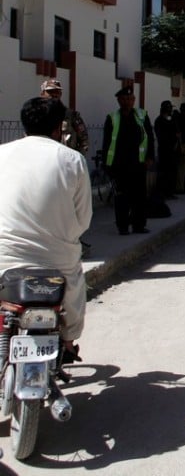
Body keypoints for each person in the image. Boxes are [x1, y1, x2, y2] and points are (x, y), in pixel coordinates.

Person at [0, 97, 92, 361]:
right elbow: (83, 219)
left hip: (4, 256)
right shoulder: (72, 159)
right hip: (56, 258)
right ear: (58, 129)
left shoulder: (2, 153)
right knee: (73, 286)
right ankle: (68, 341)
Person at [101, 86, 156, 235]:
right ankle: (123, 226)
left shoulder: (142, 116)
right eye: (124, 99)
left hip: (138, 163)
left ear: (134, 100)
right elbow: (106, 143)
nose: (127, 102)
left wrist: (150, 157)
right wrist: (106, 164)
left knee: (139, 197)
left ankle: (139, 225)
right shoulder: (112, 118)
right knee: (121, 197)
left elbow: (149, 137)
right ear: (119, 101)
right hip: (119, 165)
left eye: (130, 99)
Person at [40, 78, 90, 159]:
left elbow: (84, 140)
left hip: (66, 161)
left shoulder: (71, 115)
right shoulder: (38, 115)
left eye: (58, 92)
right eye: (51, 92)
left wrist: (76, 159)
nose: (55, 95)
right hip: (45, 160)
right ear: (42, 93)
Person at [153, 100, 181, 200]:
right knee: (163, 172)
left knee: (172, 172)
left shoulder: (171, 120)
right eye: (169, 108)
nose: (171, 110)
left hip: (172, 150)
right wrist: (173, 136)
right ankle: (162, 193)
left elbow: (177, 132)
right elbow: (162, 137)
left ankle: (170, 192)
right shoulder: (159, 121)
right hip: (165, 151)